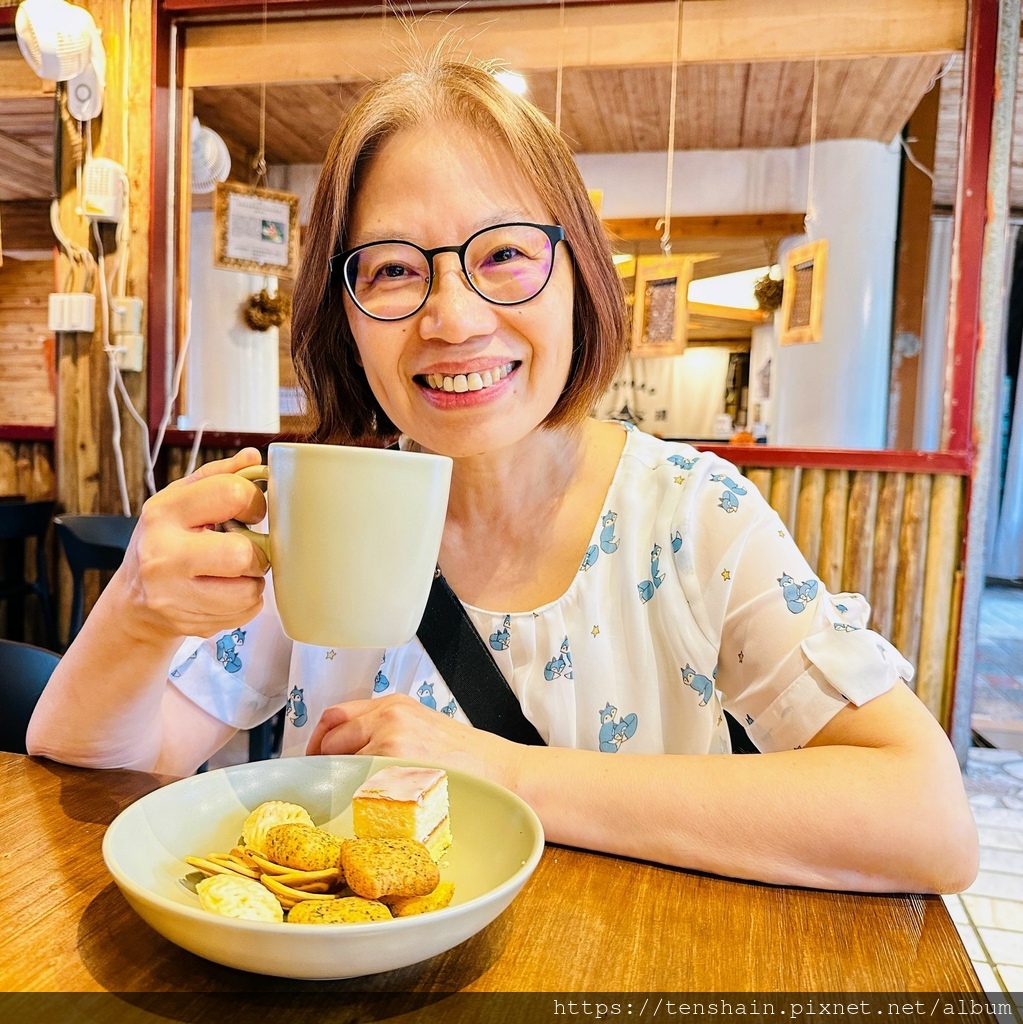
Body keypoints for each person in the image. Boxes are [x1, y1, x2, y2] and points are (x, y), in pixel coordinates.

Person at [28, 53, 978, 895]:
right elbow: (104, 763)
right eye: (394, 269)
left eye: (506, 253)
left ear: (579, 278)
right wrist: (138, 611)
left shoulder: (693, 517)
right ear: (343, 314)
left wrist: (497, 770)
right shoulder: (320, 523)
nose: (453, 316)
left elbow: (923, 820)